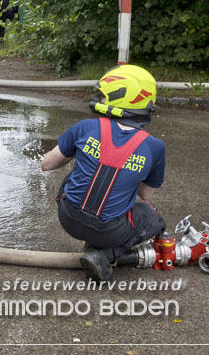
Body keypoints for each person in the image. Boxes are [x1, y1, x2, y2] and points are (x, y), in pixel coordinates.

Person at [41, 65, 166, 282]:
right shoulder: (154, 147)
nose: (100, 98)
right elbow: (145, 196)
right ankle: (105, 254)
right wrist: (129, 169)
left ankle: (98, 247)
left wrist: (82, 152)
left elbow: (47, 164)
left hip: (68, 218)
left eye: (104, 95)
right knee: (153, 218)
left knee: (73, 173)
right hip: (111, 232)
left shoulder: (85, 127)